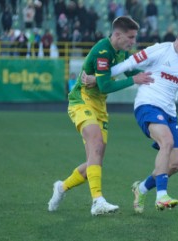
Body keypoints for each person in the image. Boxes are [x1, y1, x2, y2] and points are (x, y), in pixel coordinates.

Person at [47, 16, 153, 216]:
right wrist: (135, 80)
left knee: (94, 161)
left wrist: (153, 75)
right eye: (130, 37)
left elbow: (128, 71)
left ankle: (61, 188)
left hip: (100, 107)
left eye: (134, 38)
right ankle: (97, 202)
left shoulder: (120, 51)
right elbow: (105, 85)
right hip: (82, 100)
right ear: (118, 34)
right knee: (95, 142)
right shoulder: (102, 51)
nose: (133, 42)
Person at [110, 20, 178, 212]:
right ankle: (161, 196)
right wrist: (100, 77)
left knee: (177, 164)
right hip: (148, 104)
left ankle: (142, 188)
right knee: (167, 142)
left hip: (169, 112)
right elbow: (129, 63)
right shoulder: (159, 50)